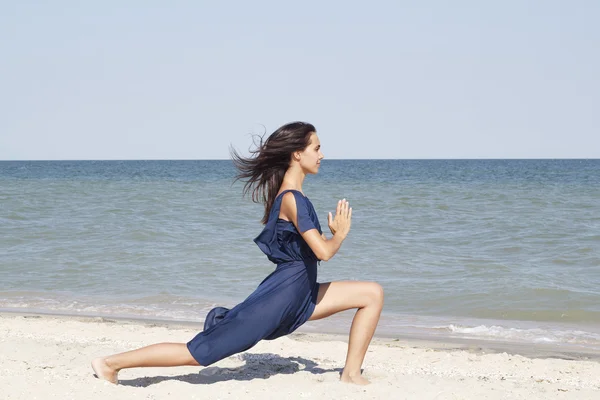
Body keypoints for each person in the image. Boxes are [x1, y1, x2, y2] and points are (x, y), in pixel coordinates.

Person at [91, 122, 384, 385]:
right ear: (297, 153)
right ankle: (110, 363)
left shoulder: (293, 196)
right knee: (199, 352)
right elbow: (323, 252)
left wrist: (330, 236)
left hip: (300, 292)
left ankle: (351, 374)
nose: (322, 154)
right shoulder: (293, 198)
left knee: (371, 293)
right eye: (317, 148)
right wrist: (339, 235)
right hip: (283, 296)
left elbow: (308, 251)